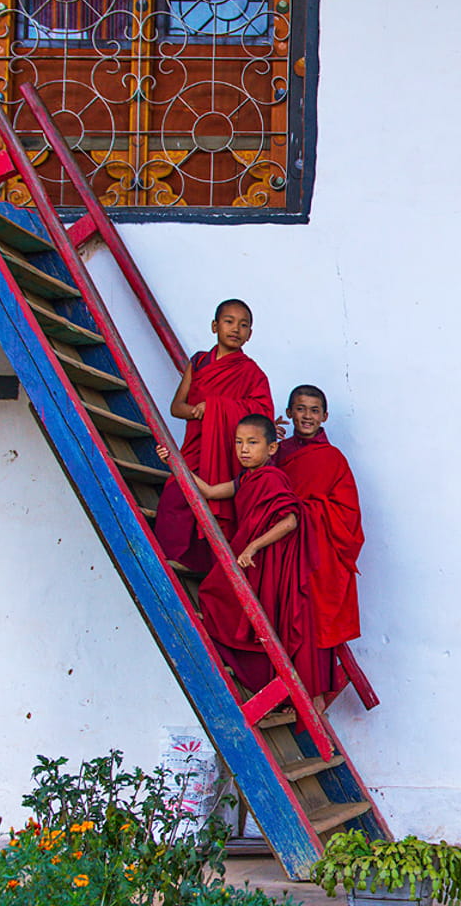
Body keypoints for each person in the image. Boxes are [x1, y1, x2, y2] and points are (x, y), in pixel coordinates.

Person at [161, 415, 335, 703]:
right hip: (254, 558)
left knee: (227, 600)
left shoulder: (272, 478)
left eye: (252, 443)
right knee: (218, 597)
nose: (243, 449)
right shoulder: (247, 478)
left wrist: (254, 546)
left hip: (270, 560)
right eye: (239, 442)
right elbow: (209, 491)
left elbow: (290, 521)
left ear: (271, 449)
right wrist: (174, 463)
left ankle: (284, 691)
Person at [153, 299, 273, 573]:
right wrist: (198, 412)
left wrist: (219, 408)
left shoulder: (251, 373)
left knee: (218, 510)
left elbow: (263, 412)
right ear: (215, 326)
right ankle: (168, 563)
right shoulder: (198, 362)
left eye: (244, 325)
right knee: (175, 497)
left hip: (225, 453)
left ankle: (206, 568)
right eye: (229, 321)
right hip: (195, 447)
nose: (236, 329)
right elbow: (176, 407)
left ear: (250, 334)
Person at [275, 384, 366, 656]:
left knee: (311, 625)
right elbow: (257, 489)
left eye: (314, 411)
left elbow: (348, 515)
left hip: (316, 554)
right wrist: (265, 442)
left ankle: (312, 695)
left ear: (325, 416)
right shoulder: (277, 452)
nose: (307, 416)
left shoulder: (333, 459)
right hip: (280, 547)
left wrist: (306, 511)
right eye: (300, 409)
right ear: (289, 412)